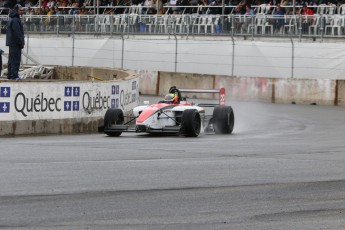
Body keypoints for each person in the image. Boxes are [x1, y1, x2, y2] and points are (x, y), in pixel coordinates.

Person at [6, 4, 25, 80]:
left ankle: (10, 75)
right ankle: (14, 76)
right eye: (20, 10)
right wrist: (21, 42)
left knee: (11, 60)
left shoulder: (11, 18)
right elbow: (17, 33)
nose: (22, 12)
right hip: (15, 43)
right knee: (15, 60)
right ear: (17, 10)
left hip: (11, 43)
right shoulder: (15, 20)